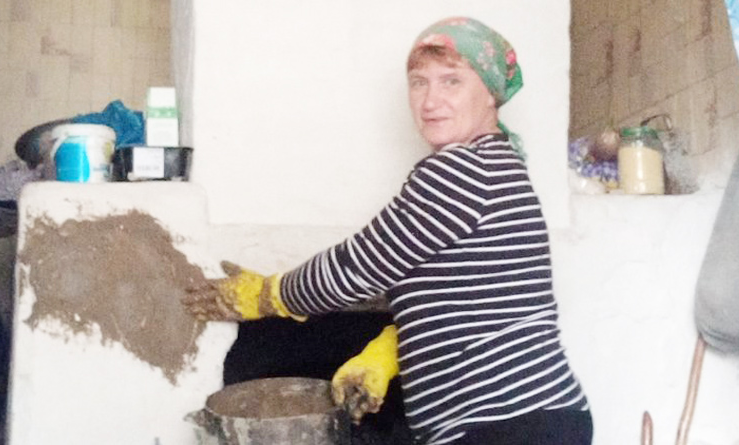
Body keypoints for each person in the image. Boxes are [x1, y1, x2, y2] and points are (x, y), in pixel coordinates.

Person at [184, 16, 593, 445]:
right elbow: (469, 296)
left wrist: (268, 295)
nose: (430, 100)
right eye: (419, 83)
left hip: (509, 424)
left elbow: (358, 266)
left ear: (490, 93)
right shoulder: (496, 164)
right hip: (527, 421)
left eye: (451, 81)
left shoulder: (461, 170)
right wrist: (390, 349)